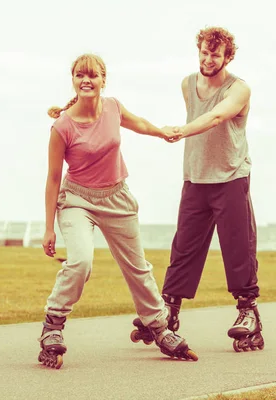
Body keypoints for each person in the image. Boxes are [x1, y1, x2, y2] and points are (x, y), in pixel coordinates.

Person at [38, 53, 198, 369]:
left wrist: (162, 131)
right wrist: (48, 228)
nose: (87, 80)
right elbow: (54, 177)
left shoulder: (112, 106)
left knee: (138, 268)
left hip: (117, 197)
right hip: (77, 201)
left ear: (103, 79)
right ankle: (52, 326)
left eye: (93, 75)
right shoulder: (62, 126)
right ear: (73, 80)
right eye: (80, 75)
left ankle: (160, 328)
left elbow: (136, 122)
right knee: (81, 261)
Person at [135, 27, 263, 353]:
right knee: (184, 247)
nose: (208, 59)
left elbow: (218, 116)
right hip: (195, 177)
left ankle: (249, 313)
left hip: (231, 177)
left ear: (228, 57)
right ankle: (169, 310)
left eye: (215, 54)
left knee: (238, 246)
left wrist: (181, 131)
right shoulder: (187, 83)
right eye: (204, 52)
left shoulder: (240, 89)